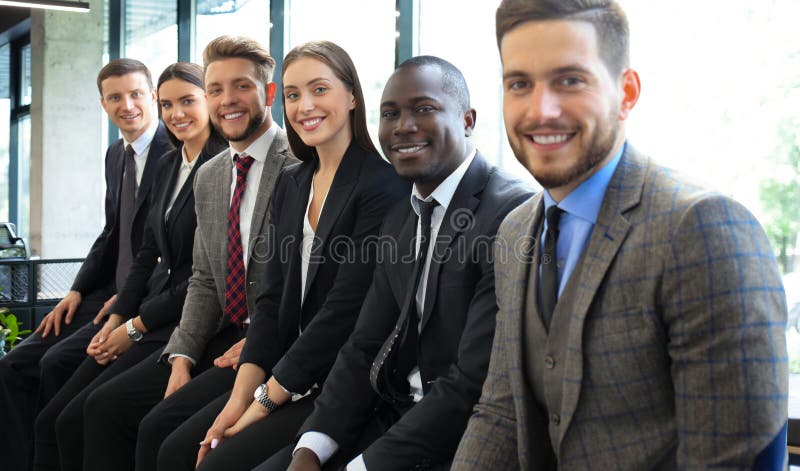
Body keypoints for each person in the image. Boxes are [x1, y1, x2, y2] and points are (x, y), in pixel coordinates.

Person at [452, 1, 789, 469]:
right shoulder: (513, 232)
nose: (540, 110)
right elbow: (502, 413)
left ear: (627, 92)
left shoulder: (704, 229)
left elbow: (728, 460)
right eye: (519, 84)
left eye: (569, 80)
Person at [271, 55, 533, 471]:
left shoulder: (510, 214)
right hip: (391, 412)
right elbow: (364, 344)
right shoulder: (402, 214)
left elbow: (471, 382)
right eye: (390, 114)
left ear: (468, 120)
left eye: (423, 109)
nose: (403, 127)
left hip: (462, 436)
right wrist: (311, 448)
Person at [160, 39, 409, 471]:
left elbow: (341, 314)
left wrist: (260, 404)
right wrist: (236, 404)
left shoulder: (381, 186)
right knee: (172, 446)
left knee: (217, 463)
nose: (304, 106)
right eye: (293, 95)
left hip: (338, 378)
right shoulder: (295, 181)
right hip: (286, 366)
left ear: (352, 96)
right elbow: (271, 301)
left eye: (319, 90)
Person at [79, 35, 295, 471]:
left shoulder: (298, 164)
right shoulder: (212, 175)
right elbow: (205, 279)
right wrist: (182, 358)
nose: (227, 100)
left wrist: (259, 342)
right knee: (111, 410)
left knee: (165, 437)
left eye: (242, 87)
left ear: (269, 93)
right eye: (216, 89)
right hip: (220, 334)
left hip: (272, 341)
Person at [29, 62, 228, 471]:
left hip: (186, 320)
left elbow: (199, 278)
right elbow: (145, 254)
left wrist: (134, 326)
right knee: (59, 419)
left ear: (208, 102)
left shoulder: (223, 168)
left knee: (98, 411)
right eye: (169, 103)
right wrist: (118, 316)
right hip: (149, 310)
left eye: (188, 101)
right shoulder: (170, 165)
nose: (176, 114)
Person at [0, 58, 173, 471]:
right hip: (103, 294)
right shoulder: (117, 154)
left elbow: (164, 253)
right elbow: (111, 233)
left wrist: (125, 306)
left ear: (152, 96)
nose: (126, 104)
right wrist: (75, 290)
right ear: (103, 104)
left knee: (54, 362)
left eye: (135, 94)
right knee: (12, 366)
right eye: (115, 97)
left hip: (139, 300)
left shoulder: (175, 152)